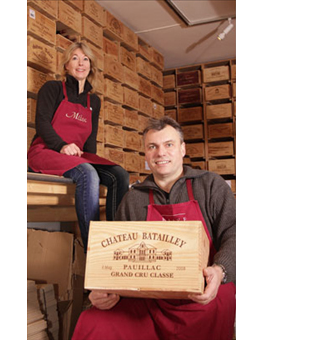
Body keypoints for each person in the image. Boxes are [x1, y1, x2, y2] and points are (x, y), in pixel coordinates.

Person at [72, 116, 236, 340]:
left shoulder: (211, 185)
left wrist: (220, 271)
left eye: (169, 145)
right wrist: (104, 290)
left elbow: (233, 232)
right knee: (93, 322)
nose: (161, 153)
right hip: (150, 300)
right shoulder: (133, 198)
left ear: (182, 149)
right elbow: (116, 257)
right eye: (153, 147)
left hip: (204, 294)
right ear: (146, 154)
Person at [27, 41, 129, 250]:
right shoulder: (53, 88)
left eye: (85, 59)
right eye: (74, 58)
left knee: (120, 175)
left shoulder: (94, 102)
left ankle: (115, 241)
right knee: (87, 172)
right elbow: (42, 123)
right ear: (66, 65)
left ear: (91, 65)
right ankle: (93, 245)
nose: (80, 63)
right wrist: (62, 145)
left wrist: (93, 161)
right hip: (45, 151)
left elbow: (90, 141)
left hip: (76, 158)